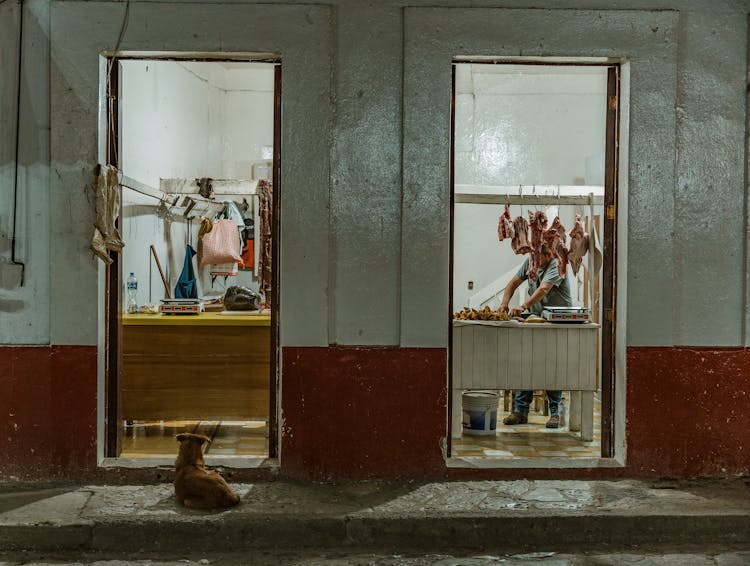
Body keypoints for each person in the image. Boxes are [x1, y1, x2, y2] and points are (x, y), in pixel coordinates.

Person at [498, 242, 572, 428]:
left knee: (551, 365)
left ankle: (556, 413)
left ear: (548, 255)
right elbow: (513, 283)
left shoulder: (557, 264)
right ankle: (520, 411)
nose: (535, 263)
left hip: (556, 323)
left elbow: (543, 289)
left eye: (539, 258)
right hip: (536, 318)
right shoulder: (531, 261)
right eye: (534, 258)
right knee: (527, 362)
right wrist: (504, 304)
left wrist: (523, 306)